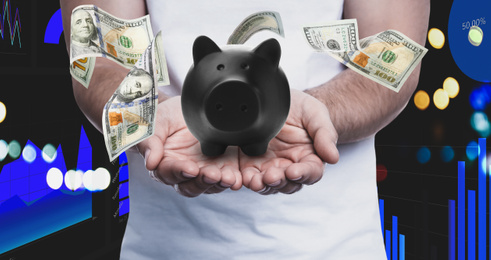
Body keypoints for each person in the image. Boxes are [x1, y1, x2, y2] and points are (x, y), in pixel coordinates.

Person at [60, 0, 429, 259]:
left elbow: (393, 58)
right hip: (163, 249)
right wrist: (151, 118)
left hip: (336, 248)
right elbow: (97, 64)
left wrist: (310, 115)